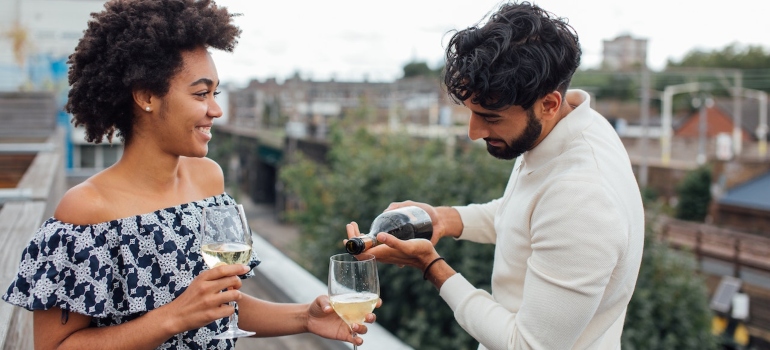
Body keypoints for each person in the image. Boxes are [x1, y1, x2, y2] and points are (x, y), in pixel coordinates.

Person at [2, 1, 376, 349]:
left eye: (216, 93)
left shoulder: (208, 180)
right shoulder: (86, 210)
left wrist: (304, 317)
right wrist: (173, 317)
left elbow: (219, 307)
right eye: (201, 94)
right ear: (146, 96)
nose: (216, 110)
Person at [346, 2, 644, 349]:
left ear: (548, 103)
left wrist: (430, 266)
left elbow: (527, 345)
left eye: (490, 116)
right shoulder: (574, 127)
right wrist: (445, 218)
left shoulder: (582, 196)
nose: (473, 132)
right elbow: (525, 214)